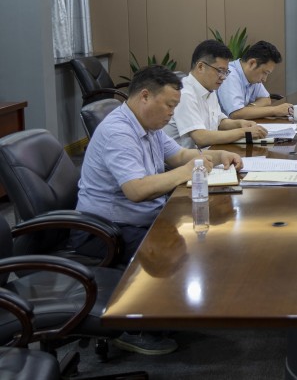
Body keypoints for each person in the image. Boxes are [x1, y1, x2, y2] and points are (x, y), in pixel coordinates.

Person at [71, 65, 242, 355]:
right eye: (169, 106)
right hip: (103, 230)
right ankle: (134, 328)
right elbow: (136, 190)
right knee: (173, 250)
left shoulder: (148, 126)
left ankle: (166, 312)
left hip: (137, 217)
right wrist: (187, 171)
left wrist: (217, 155)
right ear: (145, 96)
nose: (172, 114)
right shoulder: (118, 132)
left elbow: (180, 154)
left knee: (202, 237)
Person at [164, 39, 268, 148]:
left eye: (226, 72)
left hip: (208, 152)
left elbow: (219, 122)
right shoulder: (185, 94)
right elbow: (201, 137)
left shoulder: (209, 88)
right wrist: (244, 132)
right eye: (220, 71)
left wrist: (240, 124)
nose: (223, 77)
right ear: (200, 67)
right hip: (187, 157)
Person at [217, 41, 293, 119]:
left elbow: (266, 99)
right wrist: (275, 110)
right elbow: (236, 114)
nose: (264, 79)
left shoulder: (252, 76)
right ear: (252, 63)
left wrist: (248, 109)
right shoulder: (230, 74)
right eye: (265, 73)